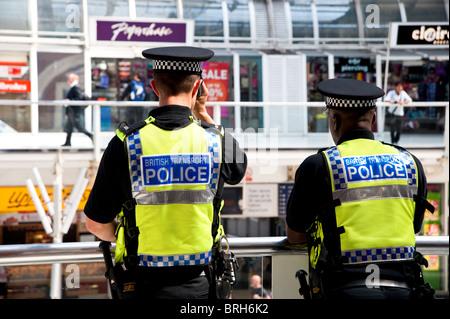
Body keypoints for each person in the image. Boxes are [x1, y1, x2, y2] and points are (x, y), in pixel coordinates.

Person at [84, 46, 247, 299]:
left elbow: (95, 223)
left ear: (155, 87)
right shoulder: (215, 142)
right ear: (197, 89)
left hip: (141, 289)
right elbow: (238, 170)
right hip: (201, 289)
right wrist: (203, 112)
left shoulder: (126, 143)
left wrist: (128, 235)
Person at [286, 78, 435, 299]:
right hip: (405, 289)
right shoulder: (410, 162)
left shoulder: (319, 165)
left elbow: (295, 235)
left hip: (342, 289)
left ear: (334, 120)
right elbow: (414, 226)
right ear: (373, 118)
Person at [62, 73, 93, 147]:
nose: (68, 80)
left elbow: (78, 99)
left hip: (74, 112)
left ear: (73, 79)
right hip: (71, 112)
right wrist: (67, 112)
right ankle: (67, 142)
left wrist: (69, 101)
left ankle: (91, 136)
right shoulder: (73, 87)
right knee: (69, 127)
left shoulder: (75, 87)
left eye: (69, 78)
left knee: (78, 126)